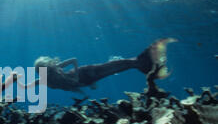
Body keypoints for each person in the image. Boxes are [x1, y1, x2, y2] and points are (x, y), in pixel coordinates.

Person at [21, 38, 177, 92]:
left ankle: (149, 59)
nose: (40, 73)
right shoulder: (45, 79)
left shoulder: (57, 69)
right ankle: (148, 63)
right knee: (118, 67)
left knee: (118, 66)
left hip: (87, 73)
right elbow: (27, 86)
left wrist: (75, 74)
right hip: (87, 80)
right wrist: (15, 81)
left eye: (41, 70)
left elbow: (74, 60)